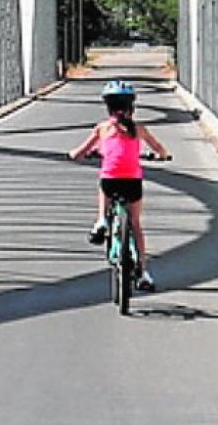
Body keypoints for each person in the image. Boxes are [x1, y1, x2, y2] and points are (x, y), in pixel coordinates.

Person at [69, 79, 171, 292]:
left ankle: (101, 221)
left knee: (105, 183)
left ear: (108, 107)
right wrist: (162, 156)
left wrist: (76, 154)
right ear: (131, 107)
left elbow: (78, 152)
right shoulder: (140, 129)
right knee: (135, 223)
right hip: (132, 182)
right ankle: (144, 273)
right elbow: (160, 149)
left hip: (111, 181)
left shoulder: (103, 129)